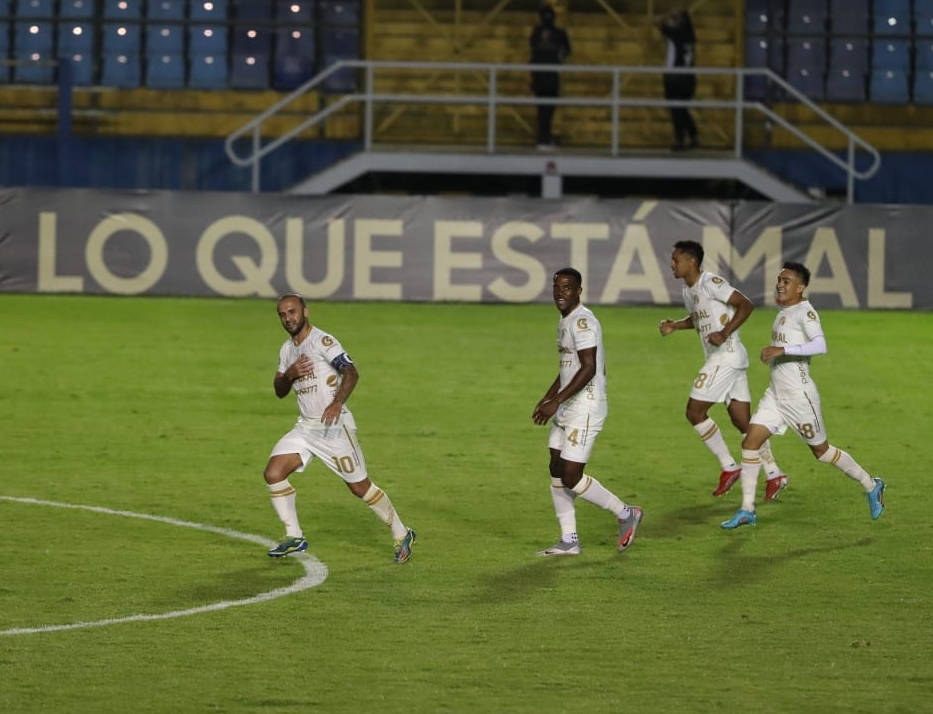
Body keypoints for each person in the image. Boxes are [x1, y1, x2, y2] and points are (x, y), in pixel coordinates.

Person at [720, 262, 886, 530]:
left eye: (787, 280)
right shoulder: (784, 311)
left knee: (821, 452)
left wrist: (781, 350)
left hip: (800, 397)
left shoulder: (805, 312)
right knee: (750, 443)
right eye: (779, 279)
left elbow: (820, 344)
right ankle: (747, 510)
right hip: (775, 396)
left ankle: (871, 485)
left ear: (801, 287)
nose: (780, 284)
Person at [262, 294, 417, 563]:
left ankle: (402, 532)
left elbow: (352, 372)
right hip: (306, 428)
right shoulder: (287, 351)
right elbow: (279, 391)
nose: (288, 318)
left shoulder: (323, 341)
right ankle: (294, 536)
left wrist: (337, 404)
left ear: (305, 312)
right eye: (283, 314)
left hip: (333, 427)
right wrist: (289, 374)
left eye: (293, 312)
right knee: (273, 473)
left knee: (359, 488)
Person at [659, 240, 788, 501]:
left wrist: (725, 332)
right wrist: (676, 326)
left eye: (675, 260)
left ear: (691, 262)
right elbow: (698, 320)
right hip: (728, 359)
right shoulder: (688, 292)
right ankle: (775, 474)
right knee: (742, 421)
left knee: (694, 411)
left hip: (726, 356)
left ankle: (729, 467)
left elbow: (746, 305)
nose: (672, 264)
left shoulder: (711, 282)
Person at [532, 268, 643, 556]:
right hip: (568, 403)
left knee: (571, 474)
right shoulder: (565, 319)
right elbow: (567, 369)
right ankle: (569, 540)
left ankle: (625, 512)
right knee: (556, 467)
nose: (560, 292)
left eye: (567, 288)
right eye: (556, 287)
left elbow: (589, 367)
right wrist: (547, 398)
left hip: (587, 405)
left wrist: (556, 401)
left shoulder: (583, 322)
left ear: (579, 290)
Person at [655, 8, 699, 151]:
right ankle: (693, 135)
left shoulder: (676, 34)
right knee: (682, 109)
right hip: (689, 78)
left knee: (676, 110)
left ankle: (680, 140)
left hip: (675, 77)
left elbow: (657, 22)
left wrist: (668, 14)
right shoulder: (691, 36)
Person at [529, 4, 571, 150]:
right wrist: (558, 57)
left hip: (540, 76)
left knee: (542, 109)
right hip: (550, 76)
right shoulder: (559, 33)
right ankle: (544, 139)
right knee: (548, 109)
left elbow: (533, 53)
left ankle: (543, 139)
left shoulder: (536, 33)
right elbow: (567, 50)